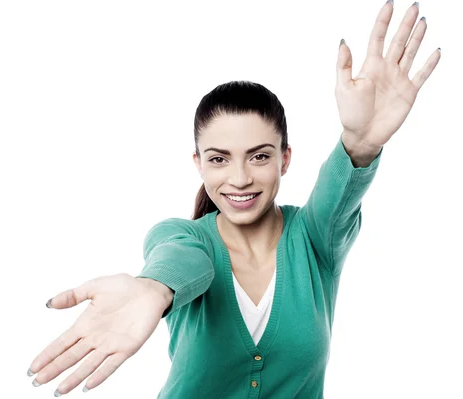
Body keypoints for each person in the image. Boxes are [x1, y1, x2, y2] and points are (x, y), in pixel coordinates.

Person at [26, 1, 441, 397]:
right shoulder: (182, 236)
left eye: (259, 156)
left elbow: (340, 195)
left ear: (285, 159)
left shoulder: (315, 240)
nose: (239, 179)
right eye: (219, 159)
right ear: (199, 164)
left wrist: (359, 142)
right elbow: (180, 260)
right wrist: (152, 289)